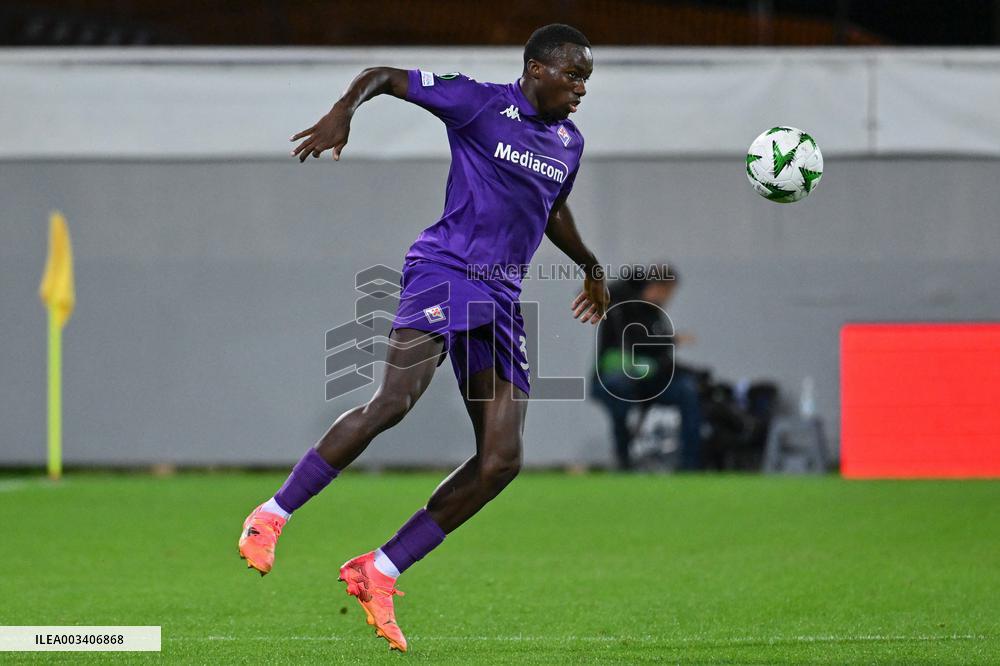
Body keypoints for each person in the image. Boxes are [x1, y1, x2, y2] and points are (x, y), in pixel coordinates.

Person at [237, 24, 609, 653]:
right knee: (394, 401)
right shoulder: (476, 101)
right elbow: (384, 76)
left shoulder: (569, 142)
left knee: (502, 461)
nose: (580, 90)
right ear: (536, 69)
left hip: (500, 296)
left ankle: (378, 569)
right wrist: (341, 112)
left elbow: (550, 207)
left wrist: (590, 265)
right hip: (446, 270)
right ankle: (272, 514)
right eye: (573, 75)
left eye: (587, 80)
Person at [591, 265, 703, 471]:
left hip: (651, 380)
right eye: (667, 291)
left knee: (687, 391)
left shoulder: (655, 315)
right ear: (658, 287)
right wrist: (672, 339)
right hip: (619, 378)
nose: (668, 298)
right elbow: (636, 342)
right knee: (619, 395)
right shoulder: (623, 306)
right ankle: (624, 460)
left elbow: (659, 360)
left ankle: (690, 465)